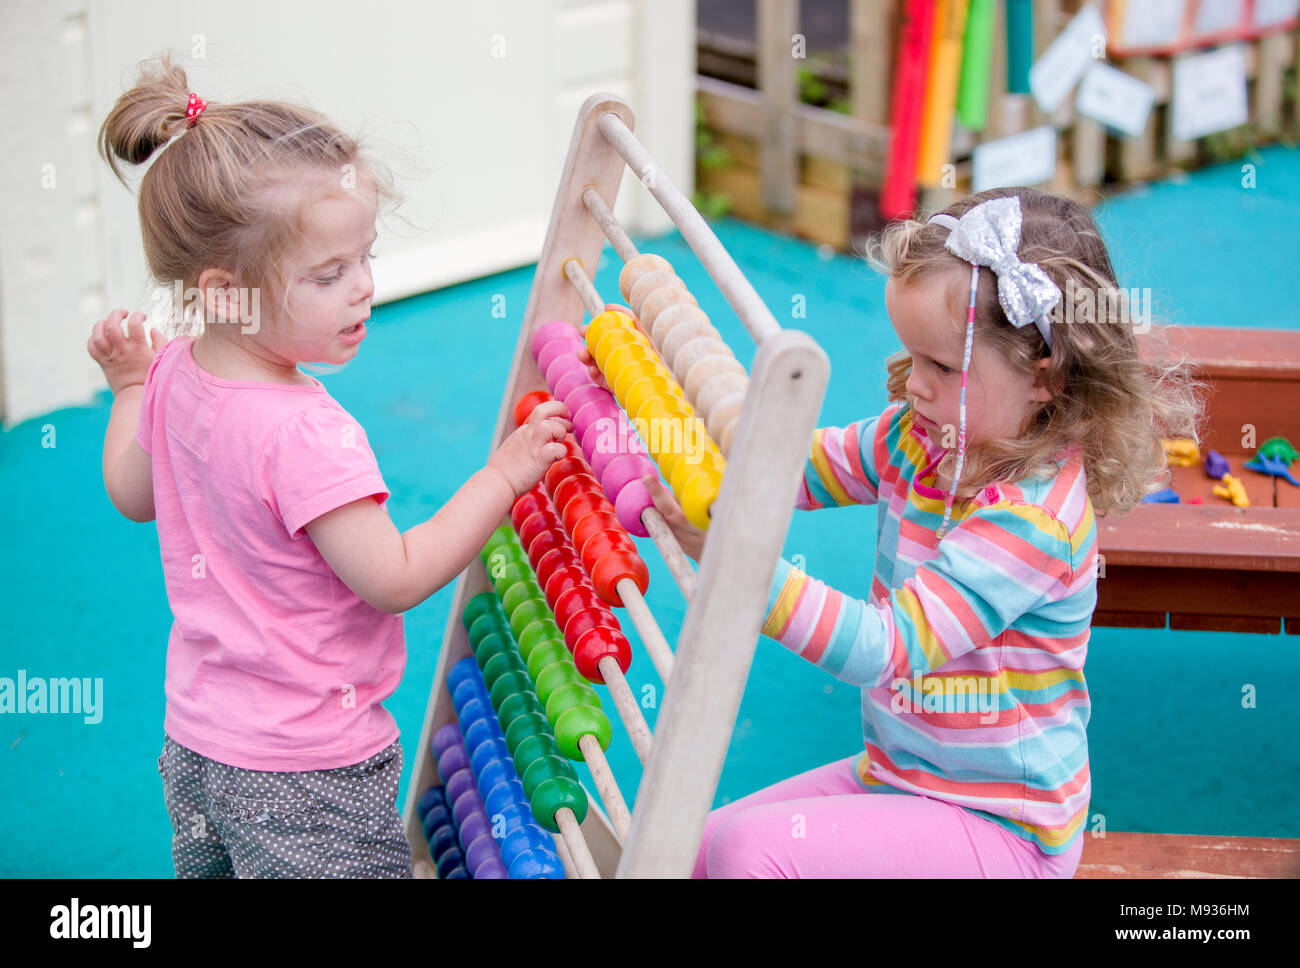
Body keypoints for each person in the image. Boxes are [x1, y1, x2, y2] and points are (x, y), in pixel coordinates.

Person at [87, 53, 568, 878]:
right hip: (307, 769)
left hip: (199, 743)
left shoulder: (172, 373)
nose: (365, 290)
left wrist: (131, 385)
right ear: (226, 288)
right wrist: (505, 475)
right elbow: (396, 576)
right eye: (329, 274)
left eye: (366, 258)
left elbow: (132, 495)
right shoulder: (306, 433)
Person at [647, 186, 1203, 878]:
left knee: (746, 857)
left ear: (1047, 376)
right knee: (688, 849)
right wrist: (670, 446)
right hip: (900, 778)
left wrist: (742, 567)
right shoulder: (923, 438)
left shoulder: (1031, 522)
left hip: (1003, 831)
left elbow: (885, 647)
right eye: (911, 358)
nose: (915, 385)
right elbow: (802, 470)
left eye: (942, 366)